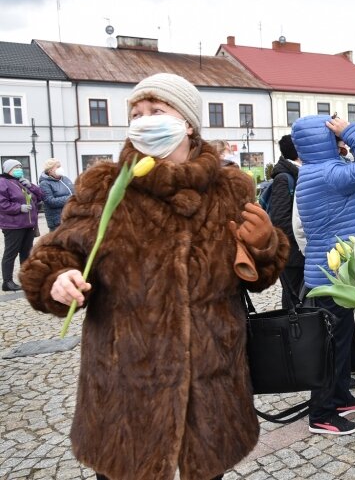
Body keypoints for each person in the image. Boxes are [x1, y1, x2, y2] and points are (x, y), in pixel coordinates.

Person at [19, 73, 289, 480]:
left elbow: (256, 278)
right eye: (136, 112)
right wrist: (58, 278)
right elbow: (57, 251)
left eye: (157, 111)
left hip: (211, 377)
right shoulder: (105, 186)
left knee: (206, 470)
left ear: (188, 124)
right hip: (125, 381)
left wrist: (265, 246)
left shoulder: (231, 188)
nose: (143, 120)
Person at [291, 113, 355, 435]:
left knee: (341, 341)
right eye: (334, 133)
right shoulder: (328, 171)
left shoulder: (317, 170)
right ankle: (322, 413)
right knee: (330, 347)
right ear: (324, 138)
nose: (339, 137)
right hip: (331, 275)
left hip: (333, 272)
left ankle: (341, 396)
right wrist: (352, 131)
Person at [267, 134, 305, 309]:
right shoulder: (284, 177)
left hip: (298, 252)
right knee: (292, 299)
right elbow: (280, 219)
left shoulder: (296, 173)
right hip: (292, 254)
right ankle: (293, 332)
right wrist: (298, 247)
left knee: (300, 296)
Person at [0, 159, 43, 291]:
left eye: (20, 166)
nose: (20, 169)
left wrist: (31, 186)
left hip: (28, 224)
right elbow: (2, 204)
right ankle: (7, 282)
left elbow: (41, 196)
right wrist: (19, 208)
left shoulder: (21, 182)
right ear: (8, 170)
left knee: (26, 252)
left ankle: (26, 279)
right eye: (16, 167)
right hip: (13, 225)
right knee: (11, 253)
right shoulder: (2, 182)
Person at [39, 158, 75, 231]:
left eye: (60, 166)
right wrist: (70, 198)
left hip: (71, 217)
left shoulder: (65, 179)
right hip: (57, 221)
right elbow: (50, 201)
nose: (60, 168)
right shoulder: (44, 183)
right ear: (50, 170)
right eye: (58, 167)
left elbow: (74, 192)